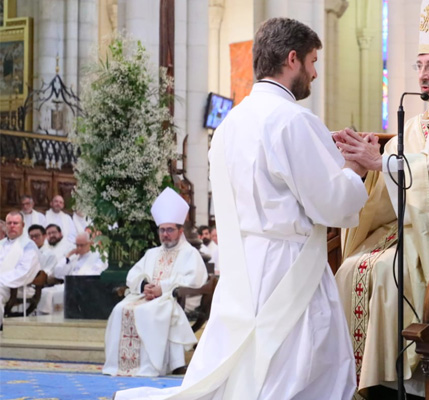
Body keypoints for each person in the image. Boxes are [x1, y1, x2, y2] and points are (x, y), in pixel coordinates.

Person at [113, 18, 370, 400]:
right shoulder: (294, 120)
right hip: (288, 265)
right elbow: (332, 206)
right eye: (313, 61)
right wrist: (355, 168)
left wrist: (323, 151)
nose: (315, 73)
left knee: (249, 360)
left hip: (245, 263)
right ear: (293, 58)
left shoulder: (231, 123)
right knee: (299, 362)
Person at [332, 0, 429, 395]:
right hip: (415, 229)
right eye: (419, 66)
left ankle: (401, 381)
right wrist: (371, 161)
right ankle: (363, 380)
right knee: (351, 267)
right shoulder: (420, 120)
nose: (422, 76)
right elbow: (400, 171)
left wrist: (383, 160)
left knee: (389, 273)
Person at [103, 188, 207, 377]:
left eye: (170, 230)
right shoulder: (152, 253)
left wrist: (163, 289)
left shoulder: (189, 253)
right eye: (162, 230)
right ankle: (122, 365)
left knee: (148, 311)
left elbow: (194, 279)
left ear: (180, 231)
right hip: (146, 296)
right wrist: (144, 286)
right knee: (120, 309)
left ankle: (153, 365)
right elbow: (134, 274)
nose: (165, 234)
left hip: (171, 298)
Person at [0, 212, 41, 327]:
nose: (12, 226)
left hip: (19, 287)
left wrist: (1, 279)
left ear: (23, 225)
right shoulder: (1, 244)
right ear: (5, 226)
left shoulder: (29, 246)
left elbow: (25, 272)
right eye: (9, 223)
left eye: (15, 223)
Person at [27, 224, 65, 314]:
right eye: (31, 237)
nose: (34, 239)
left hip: (39, 285)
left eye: (36, 236)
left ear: (44, 236)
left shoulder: (49, 254)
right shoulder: (26, 253)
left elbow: (46, 273)